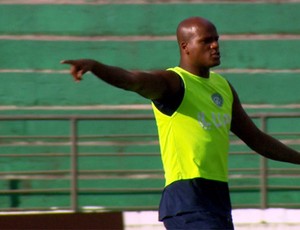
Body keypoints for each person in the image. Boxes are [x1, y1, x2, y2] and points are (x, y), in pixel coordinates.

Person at [61, 16, 300, 230]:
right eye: (206, 41)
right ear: (185, 47)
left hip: (217, 199)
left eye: (216, 39)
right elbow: (132, 80)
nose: (215, 45)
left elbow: (256, 139)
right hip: (187, 198)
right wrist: (95, 66)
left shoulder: (223, 87)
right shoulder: (174, 83)